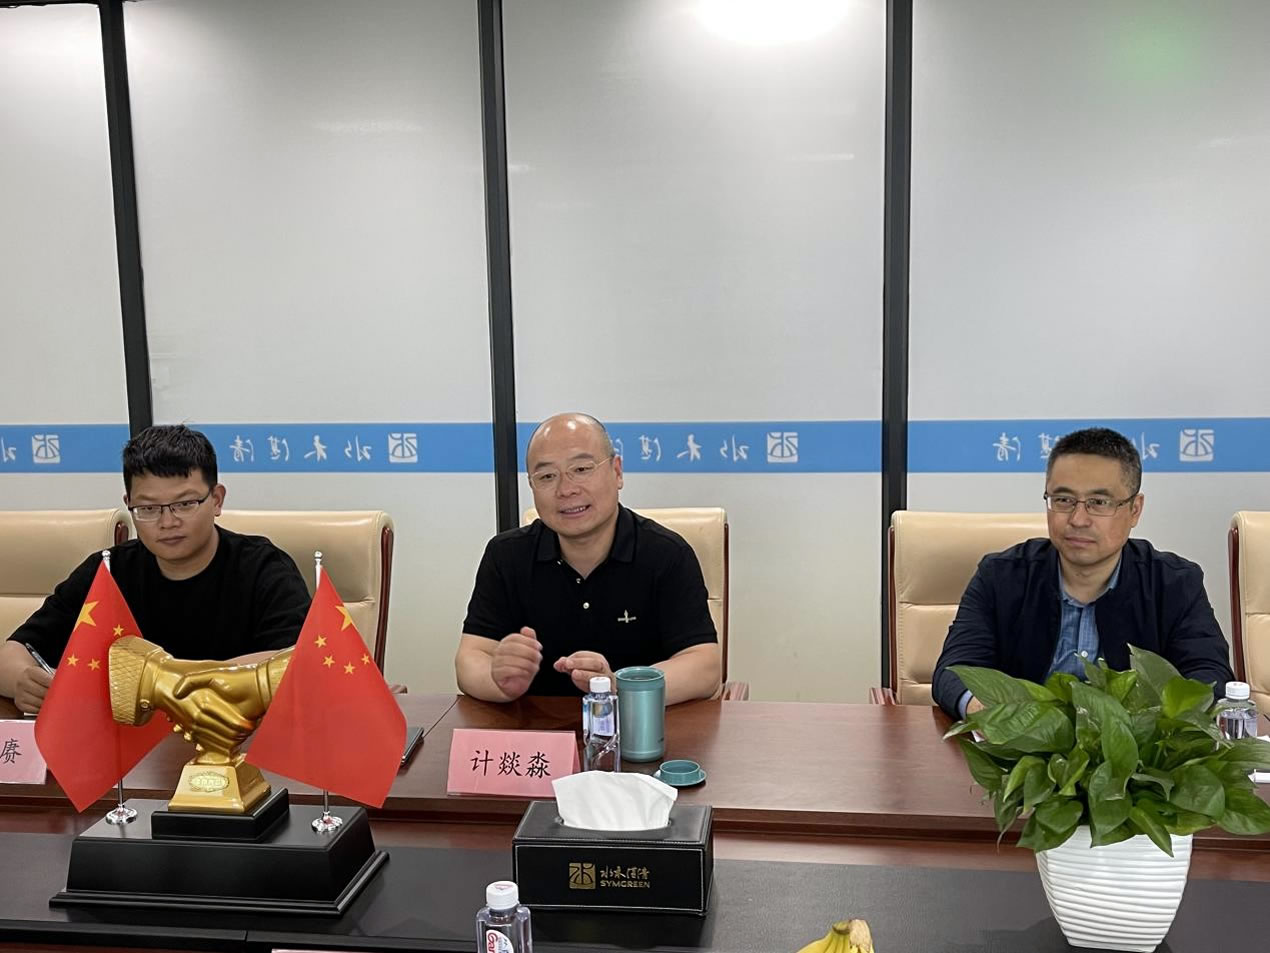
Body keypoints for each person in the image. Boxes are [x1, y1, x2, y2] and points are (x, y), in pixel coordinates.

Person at [0, 425, 310, 714]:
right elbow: (13, 654)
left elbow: (293, 664)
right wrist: (23, 682)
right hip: (127, 746)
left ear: (216, 500)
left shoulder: (263, 567)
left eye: (184, 504)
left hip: (233, 740)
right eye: (148, 508)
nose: (168, 522)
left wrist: (162, 684)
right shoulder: (108, 571)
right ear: (129, 503)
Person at [932, 426, 1233, 720]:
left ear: (1135, 510)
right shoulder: (1000, 577)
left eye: (1099, 503)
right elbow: (954, 671)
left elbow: (1210, 678)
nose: (1078, 519)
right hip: (1020, 747)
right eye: (1063, 500)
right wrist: (994, 717)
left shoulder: (1175, 583)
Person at [455, 413, 721, 705]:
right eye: (547, 476)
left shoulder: (667, 553)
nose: (566, 489)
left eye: (581, 469)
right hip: (535, 729)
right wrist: (498, 681)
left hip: (638, 727)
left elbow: (704, 667)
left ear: (617, 472)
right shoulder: (506, 555)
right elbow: (471, 657)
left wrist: (616, 687)